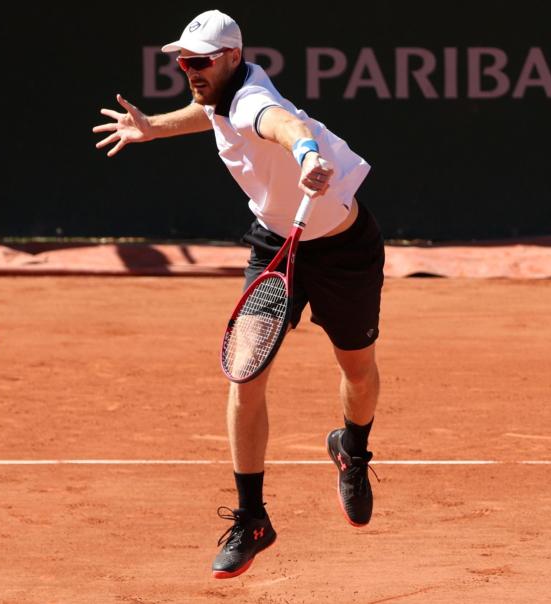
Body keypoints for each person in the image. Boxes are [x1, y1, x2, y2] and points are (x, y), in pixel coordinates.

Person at [93, 9, 384, 580]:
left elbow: (281, 124)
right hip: (275, 245)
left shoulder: (253, 100)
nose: (189, 69)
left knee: (358, 370)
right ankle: (252, 518)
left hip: (343, 250)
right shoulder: (223, 93)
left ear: (231, 57)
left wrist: (307, 157)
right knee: (244, 374)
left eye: (199, 61)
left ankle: (352, 448)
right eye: (183, 60)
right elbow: (208, 113)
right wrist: (153, 126)